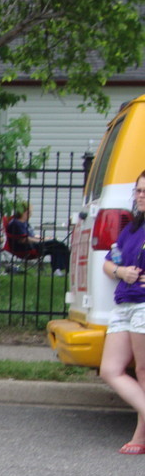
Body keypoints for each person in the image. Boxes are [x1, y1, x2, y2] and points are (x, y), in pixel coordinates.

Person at [98, 170, 145, 454]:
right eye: (138, 190)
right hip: (124, 304)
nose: (140, 196)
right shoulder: (132, 228)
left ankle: (140, 437)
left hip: (143, 304)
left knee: (142, 370)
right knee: (110, 370)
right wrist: (120, 271)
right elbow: (109, 261)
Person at [6, 204, 70, 275]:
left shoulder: (24, 222)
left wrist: (45, 238)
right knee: (57, 244)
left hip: (33, 244)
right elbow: (23, 240)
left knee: (58, 245)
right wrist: (41, 241)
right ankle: (60, 270)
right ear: (25, 212)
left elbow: (33, 236)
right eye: (30, 211)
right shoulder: (16, 223)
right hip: (25, 248)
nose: (31, 214)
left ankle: (60, 269)